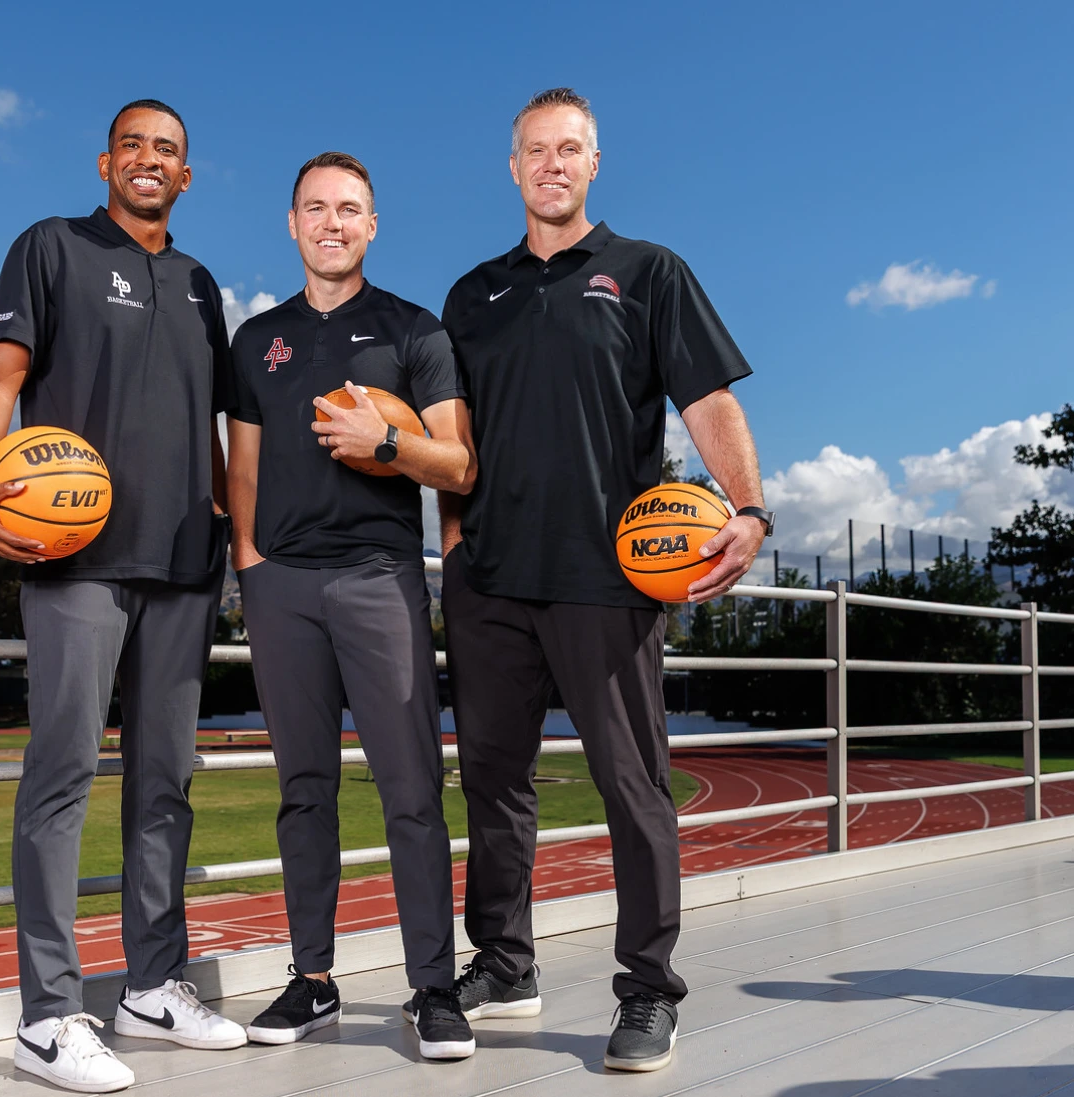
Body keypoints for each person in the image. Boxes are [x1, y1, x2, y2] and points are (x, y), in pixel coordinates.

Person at [438, 88, 773, 1073]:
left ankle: (648, 990)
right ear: (511, 168)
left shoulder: (647, 272)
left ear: (593, 164)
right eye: (534, 150)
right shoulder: (471, 295)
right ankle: (502, 965)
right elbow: (452, 445)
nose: (551, 164)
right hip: (489, 580)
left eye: (568, 149)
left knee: (631, 787)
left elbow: (705, 399)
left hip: (605, 577)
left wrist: (745, 506)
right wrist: (455, 549)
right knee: (493, 784)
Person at [0, 99, 245, 1093]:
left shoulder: (201, 285)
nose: (149, 160)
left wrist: (225, 532)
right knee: (64, 769)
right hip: (76, 559)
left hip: (183, 560)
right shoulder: (50, 249)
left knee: (165, 779)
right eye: (134, 145)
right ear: (106, 159)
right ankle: (47, 1010)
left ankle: (153, 981)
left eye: (168, 150)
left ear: (185, 175)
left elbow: (206, 426)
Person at [226, 152, 480, 1060]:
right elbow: (241, 466)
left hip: (379, 579)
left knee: (412, 791)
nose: (332, 223)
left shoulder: (413, 331)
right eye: (315, 209)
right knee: (304, 792)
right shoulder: (255, 340)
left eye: (350, 210)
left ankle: (433, 988)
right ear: (291, 223)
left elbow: (457, 465)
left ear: (373, 226)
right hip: (280, 587)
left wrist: (388, 441)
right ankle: (313, 979)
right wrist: (250, 565)